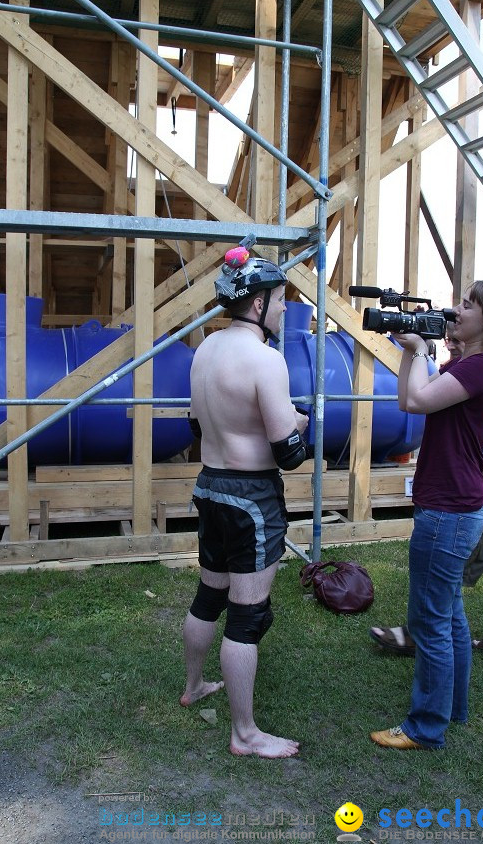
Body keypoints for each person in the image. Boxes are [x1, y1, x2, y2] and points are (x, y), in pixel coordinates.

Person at [369, 282, 483, 751]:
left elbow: (416, 401)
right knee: (450, 615)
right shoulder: (466, 365)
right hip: (453, 505)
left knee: (432, 620)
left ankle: (424, 727)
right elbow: (407, 399)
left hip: (449, 510)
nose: (457, 310)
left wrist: (417, 349)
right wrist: (411, 350)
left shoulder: (480, 368)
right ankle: (451, 710)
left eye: (468, 305)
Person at [179, 251, 309, 759]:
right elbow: (289, 455)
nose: (282, 311)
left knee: (209, 596)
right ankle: (245, 734)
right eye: (280, 302)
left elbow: (196, 426)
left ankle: (193, 685)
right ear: (258, 302)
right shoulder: (265, 359)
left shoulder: (204, 351)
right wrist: (299, 423)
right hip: (251, 498)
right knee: (246, 616)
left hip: (210, 486)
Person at [371, 360, 483, 661]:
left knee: (447, 569)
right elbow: (411, 397)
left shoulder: (479, 374)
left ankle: (422, 635)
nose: (451, 336)